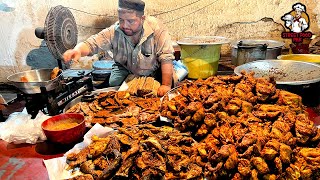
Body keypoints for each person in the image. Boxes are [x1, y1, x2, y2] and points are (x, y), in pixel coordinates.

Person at [63, 0, 175, 96]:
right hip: (125, 67)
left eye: (131, 21)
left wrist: (166, 85)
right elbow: (91, 43)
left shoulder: (157, 29)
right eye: (121, 20)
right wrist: (77, 50)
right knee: (114, 84)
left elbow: (166, 58)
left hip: (153, 69)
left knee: (165, 87)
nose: (125, 25)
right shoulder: (115, 31)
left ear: (142, 18)